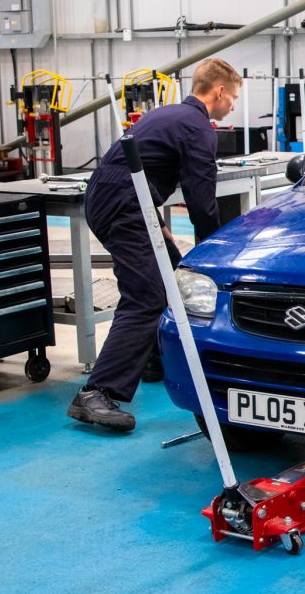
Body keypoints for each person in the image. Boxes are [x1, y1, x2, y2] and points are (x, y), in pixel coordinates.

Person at [66, 58, 241, 432]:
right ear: (220, 91)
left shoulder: (171, 114)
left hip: (114, 196)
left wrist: (158, 225)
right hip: (124, 202)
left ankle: (150, 361)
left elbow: (143, 166)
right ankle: (96, 392)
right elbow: (200, 201)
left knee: (172, 271)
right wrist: (215, 250)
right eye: (234, 98)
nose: (233, 106)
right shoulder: (199, 128)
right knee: (146, 293)